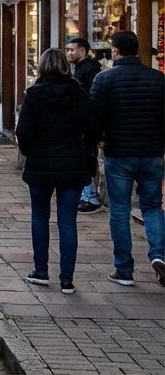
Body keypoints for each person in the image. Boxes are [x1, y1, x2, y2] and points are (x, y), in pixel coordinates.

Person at [88, 31, 165, 287]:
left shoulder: (105, 79)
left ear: (115, 51)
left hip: (119, 152)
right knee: (152, 207)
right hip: (151, 152)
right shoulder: (157, 79)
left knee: (119, 211)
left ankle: (123, 268)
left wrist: (95, 141)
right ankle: (159, 254)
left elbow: (94, 117)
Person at [15, 48, 93, 293]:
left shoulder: (34, 95)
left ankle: (41, 270)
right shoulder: (79, 93)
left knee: (40, 216)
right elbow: (90, 127)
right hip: (72, 161)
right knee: (67, 221)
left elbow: (23, 131)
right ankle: (67, 279)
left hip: (41, 162)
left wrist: (31, 150)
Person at [67, 37, 105, 214]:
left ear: (83, 50)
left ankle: (91, 195)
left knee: (87, 157)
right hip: (83, 122)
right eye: (67, 50)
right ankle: (87, 193)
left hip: (88, 123)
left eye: (72, 50)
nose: (69, 53)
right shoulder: (81, 68)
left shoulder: (90, 69)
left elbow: (91, 98)